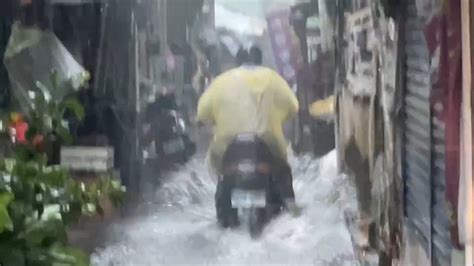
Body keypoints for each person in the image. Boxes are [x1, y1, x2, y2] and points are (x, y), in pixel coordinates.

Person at [197, 45, 301, 216]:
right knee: (284, 172)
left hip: (228, 149)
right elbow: (293, 107)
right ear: (260, 61)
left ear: (237, 62)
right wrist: (279, 116)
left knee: (219, 173)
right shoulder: (272, 78)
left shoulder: (222, 81)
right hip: (268, 146)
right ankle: (291, 208)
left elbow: (202, 112)